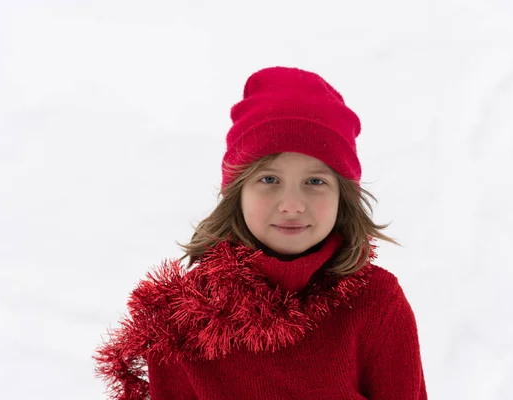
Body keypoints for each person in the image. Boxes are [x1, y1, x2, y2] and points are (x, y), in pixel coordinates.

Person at [94, 66, 427, 399]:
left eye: (315, 181)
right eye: (269, 180)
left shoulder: (376, 303)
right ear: (238, 192)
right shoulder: (184, 322)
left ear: (343, 197)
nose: (292, 205)